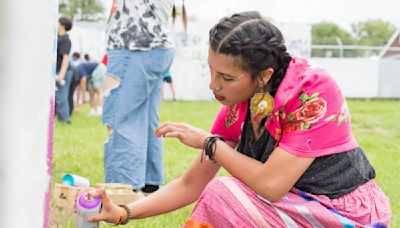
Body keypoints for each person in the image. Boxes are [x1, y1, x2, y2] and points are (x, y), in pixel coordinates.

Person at [85, 11, 391, 227]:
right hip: (292, 206)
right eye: (211, 71)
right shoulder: (241, 104)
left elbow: (270, 186)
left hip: (344, 212)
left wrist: (210, 144)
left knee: (224, 193)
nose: (213, 85)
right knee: (223, 192)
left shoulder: (312, 93)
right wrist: (124, 213)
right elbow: (191, 183)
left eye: (227, 77)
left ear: (263, 76)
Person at [101, 0, 182, 195]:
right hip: (154, 45)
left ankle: (121, 191)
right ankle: (148, 183)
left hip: (134, 45)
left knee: (120, 118)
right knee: (146, 118)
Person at [55, 17, 73, 123]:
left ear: (62, 25)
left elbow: (66, 58)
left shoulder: (65, 40)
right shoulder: (57, 38)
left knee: (62, 97)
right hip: (58, 70)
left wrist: (61, 74)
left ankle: (65, 120)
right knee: (58, 97)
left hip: (64, 71)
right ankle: (62, 119)